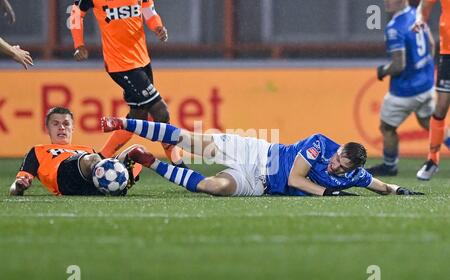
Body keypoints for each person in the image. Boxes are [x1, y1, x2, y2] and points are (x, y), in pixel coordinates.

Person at [101, 117, 424, 197]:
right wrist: (330, 193)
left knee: (214, 188)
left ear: (352, 168)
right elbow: (296, 179)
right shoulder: (320, 144)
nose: (333, 163)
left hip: (260, 182)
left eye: (341, 164)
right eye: (337, 157)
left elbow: (377, 184)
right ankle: (125, 123)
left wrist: (399, 191)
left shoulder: (353, 175)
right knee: (192, 140)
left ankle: (148, 160)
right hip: (258, 152)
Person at [69, 0, 186, 168]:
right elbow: (75, 12)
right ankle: (179, 166)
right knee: (161, 112)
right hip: (120, 65)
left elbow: (148, 11)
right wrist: (78, 44)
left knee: (138, 117)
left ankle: (99, 159)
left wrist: (157, 27)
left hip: (142, 60)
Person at [368, 0, 436, 176]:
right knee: (430, 123)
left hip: (406, 90)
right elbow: (432, 44)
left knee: (387, 127)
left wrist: (382, 71)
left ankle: (390, 165)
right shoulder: (417, 13)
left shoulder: (394, 27)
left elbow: (399, 66)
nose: (386, 2)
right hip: (426, 84)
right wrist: (426, 72)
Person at [9, 107, 140, 196]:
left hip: (87, 183)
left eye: (66, 124)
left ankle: (112, 186)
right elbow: (17, 184)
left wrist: (132, 118)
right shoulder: (38, 150)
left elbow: (103, 156)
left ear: (72, 128)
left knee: (136, 153)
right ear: (47, 129)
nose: (61, 127)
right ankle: (120, 182)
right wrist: (19, 187)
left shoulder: (86, 149)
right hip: (62, 177)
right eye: (55, 124)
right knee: (95, 159)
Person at [413, 0, 450, 180]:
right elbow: (423, 7)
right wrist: (420, 20)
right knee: (441, 107)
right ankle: (432, 160)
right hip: (447, 53)